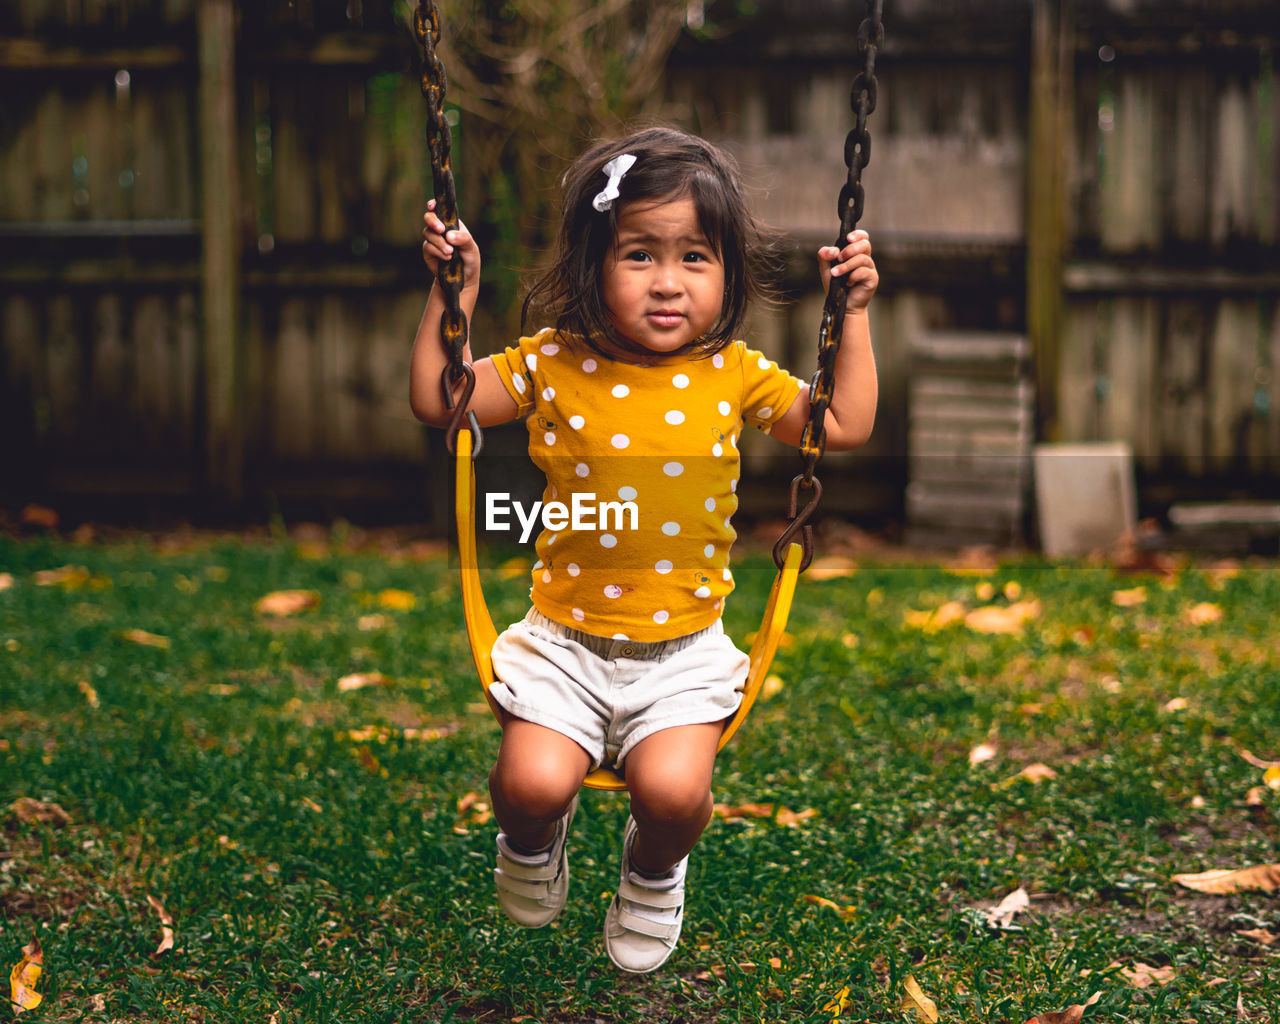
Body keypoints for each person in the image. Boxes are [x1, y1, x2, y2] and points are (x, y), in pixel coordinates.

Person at [410, 125, 878, 973]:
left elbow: (841, 423)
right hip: (565, 648)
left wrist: (852, 316)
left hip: (683, 656)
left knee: (673, 794)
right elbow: (445, 400)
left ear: (727, 272)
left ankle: (653, 869)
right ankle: (529, 843)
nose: (668, 283)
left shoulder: (734, 372)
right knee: (529, 787)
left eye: (695, 257)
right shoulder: (553, 363)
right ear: (594, 265)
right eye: (639, 256)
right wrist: (455, 298)